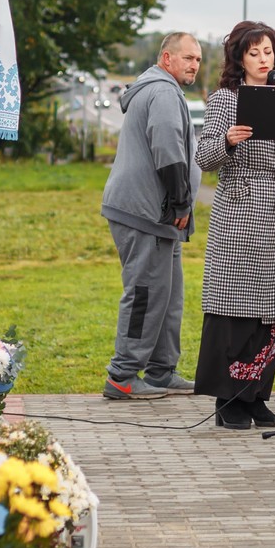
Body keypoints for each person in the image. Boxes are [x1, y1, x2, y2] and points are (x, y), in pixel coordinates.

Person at [195, 22, 275, 429]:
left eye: (269, 52)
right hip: (241, 211)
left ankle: (257, 394)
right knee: (235, 306)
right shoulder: (225, 99)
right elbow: (204, 158)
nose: (264, 59)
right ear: (239, 58)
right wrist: (228, 140)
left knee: (274, 308)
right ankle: (229, 399)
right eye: (255, 53)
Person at [99, 32, 202, 401]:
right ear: (166, 58)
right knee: (145, 292)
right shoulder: (162, 91)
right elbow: (167, 147)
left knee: (168, 295)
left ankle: (161, 371)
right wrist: (180, 201)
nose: (194, 65)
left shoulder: (162, 89)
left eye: (198, 59)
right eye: (188, 57)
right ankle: (122, 375)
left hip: (154, 214)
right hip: (145, 212)